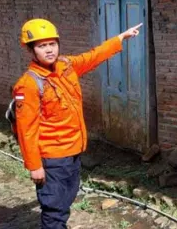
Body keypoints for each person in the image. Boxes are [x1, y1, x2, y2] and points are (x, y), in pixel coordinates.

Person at [12, 18, 141, 229]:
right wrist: (34, 166)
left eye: (52, 44)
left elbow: (93, 56)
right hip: (52, 157)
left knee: (66, 200)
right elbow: (26, 129)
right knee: (54, 208)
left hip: (73, 151)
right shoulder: (29, 85)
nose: (49, 50)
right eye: (42, 46)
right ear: (31, 50)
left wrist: (120, 38)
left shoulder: (66, 66)